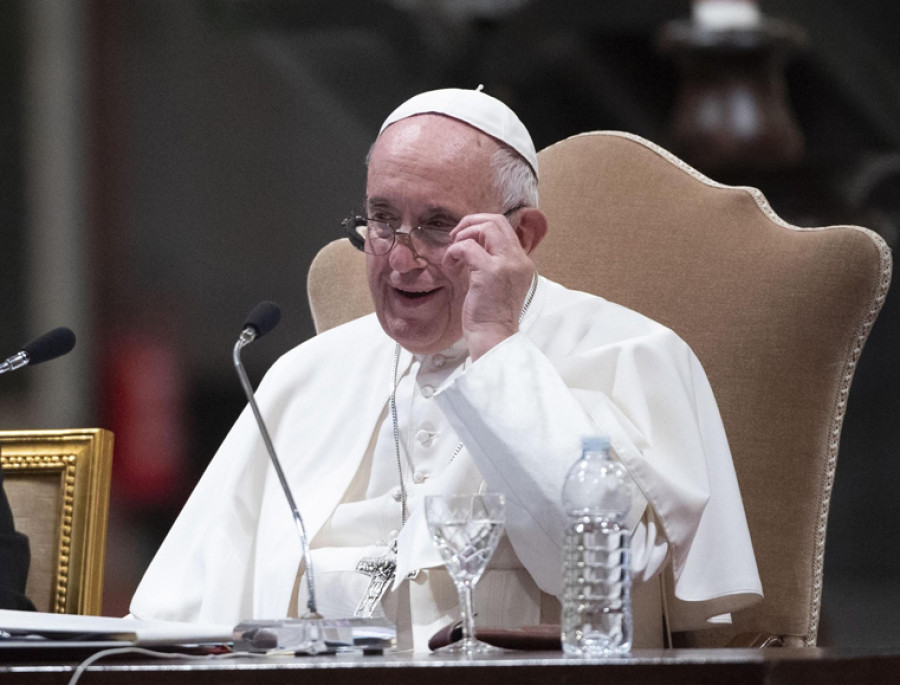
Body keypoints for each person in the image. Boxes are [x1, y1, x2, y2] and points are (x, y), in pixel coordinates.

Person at [130, 87, 762, 651]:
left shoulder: (632, 355)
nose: (401, 260)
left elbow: (607, 574)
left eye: (438, 226)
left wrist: (497, 345)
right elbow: (179, 619)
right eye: (382, 220)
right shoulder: (304, 377)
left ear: (526, 238)